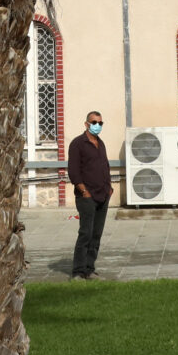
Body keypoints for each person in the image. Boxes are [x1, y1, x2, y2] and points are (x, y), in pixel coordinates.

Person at [67, 110, 111, 279]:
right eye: (94, 123)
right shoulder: (78, 144)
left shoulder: (100, 143)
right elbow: (74, 171)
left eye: (100, 123)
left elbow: (104, 166)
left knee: (96, 234)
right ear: (86, 124)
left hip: (103, 195)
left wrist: (109, 188)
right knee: (86, 232)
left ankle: (89, 268)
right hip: (87, 196)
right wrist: (83, 190)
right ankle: (78, 271)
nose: (97, 126)